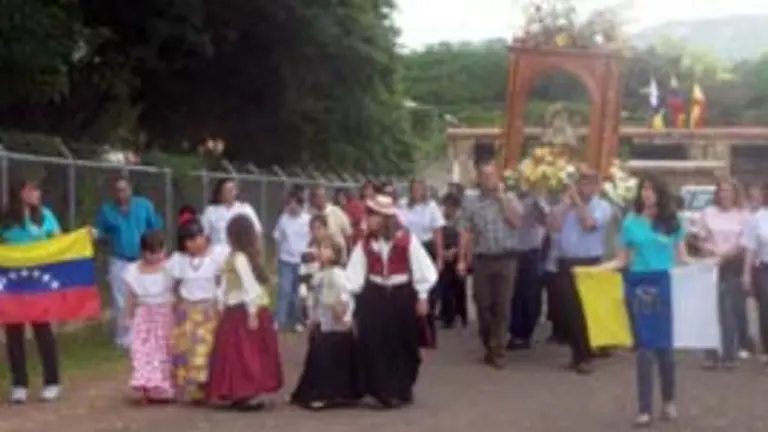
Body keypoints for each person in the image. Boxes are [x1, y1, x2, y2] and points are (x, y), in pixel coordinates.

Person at [597, 175, 692, 428]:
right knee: (644, 350)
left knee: (665, 349)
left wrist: (709, 265)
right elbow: (622, 259)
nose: (646, 194)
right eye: (643, 189)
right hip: (637, 284)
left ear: (660, 193)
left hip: (663, 284)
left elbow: (683, 256)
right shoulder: (630, 222)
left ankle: (669, 401)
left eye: (651, 189)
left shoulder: (672, 222)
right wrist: (595, 271)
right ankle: (644, 409)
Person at [345, 194, 437, 408]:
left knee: (402, 343)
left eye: (373, 215)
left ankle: (401, 388)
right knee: (375, 342)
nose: (368, 219)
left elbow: (424, 269)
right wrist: (348, 299)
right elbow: (354, 275)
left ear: (385, 218)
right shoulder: (366, 244)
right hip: (375, 295)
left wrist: (422, 296)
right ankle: (382, 390)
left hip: (401, 295)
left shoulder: (406, 240)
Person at [206, 215, 283, 409]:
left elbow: (249, 286)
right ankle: (237, 392)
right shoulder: (233, 258)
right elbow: (224, 285)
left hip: (242, 311)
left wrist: (252, 311)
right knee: (236, 354)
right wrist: (220, 303)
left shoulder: (238, 258)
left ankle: (243, 391)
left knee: (242, 354)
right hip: (234, 311)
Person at [1, 177, 63, 403]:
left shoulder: (46, 215)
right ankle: (19, 384)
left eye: (38, 189)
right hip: (13, 285)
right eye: (32, 189)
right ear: (20, 192)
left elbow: (59, 242)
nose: (37, 193)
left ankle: (52, 381)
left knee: (43, 332)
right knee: (13, 333)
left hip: (38, 283)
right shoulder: (6, 220)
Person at [456, 162, 523, 369]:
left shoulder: (510, 198)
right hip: (482, 259)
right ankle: (488, 342)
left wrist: (502, 199)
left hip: (506, 258)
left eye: (492, 176)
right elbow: (465, 231)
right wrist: (461, 259)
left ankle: (499, 349)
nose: (489, 180)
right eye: (485, 176)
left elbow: (517, 222)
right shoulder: (471, 201)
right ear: (479, 179)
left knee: (502, 306)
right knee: (483, 305)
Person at [548, 170, 612, 374]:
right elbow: (552, 225)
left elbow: (588, 224)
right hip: (566, 261)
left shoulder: (603, 207)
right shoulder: (566, 205)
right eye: (581, 183)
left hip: (590, 261)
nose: (585, 188)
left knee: (585, 311)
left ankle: (585, 355)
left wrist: (577, 202)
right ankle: (577, 353)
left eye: (589, 184)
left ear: (596, 186)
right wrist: (565, 205)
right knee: (569, 312)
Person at [94, 175, 164, 350]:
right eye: (117, 191)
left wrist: (156, 252)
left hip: (142, 259)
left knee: (145, 297)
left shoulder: (144, 205)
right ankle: (124, 338)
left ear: (130, 190)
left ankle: (146, 335)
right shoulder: (107, 210)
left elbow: (155, 228)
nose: (121, 194)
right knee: (121, 301)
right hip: (119, 259)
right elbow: (101, 233)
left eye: (124, 189)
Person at [291, 237, 358, 410]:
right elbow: (314, 300)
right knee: (317, 358)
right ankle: (311, 392)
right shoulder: (318, 276)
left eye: (326, 248)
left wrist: (343, 313)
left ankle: (331, 394)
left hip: (336, 325)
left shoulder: (338, 275)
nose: (321, 251)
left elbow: (345, 295)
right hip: (322, 322)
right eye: (320, 247)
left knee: (331, 360)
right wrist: (311, 319)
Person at [167, 219, 229, 403]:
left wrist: (220, 303)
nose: (195, 243)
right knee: (187, 350)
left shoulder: (216, 256)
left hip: (207, 310)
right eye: (190, 241)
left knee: (205, 349)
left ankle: (206, 386)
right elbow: (172, 283)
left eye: (198, 238)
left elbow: (223, 281)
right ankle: (193, 386)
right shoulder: (179, 261)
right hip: (187, 311)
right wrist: (174, 302)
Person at [697, 178, 750, 368]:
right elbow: (700, 239)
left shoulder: (743, 215)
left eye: (728, 191)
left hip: (733, 264)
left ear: (735, 194)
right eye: (721, 191)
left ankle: (729, 354)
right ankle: (710, 354)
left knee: (728, 309)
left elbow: (744, 243)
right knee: (710, 310)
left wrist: (726, 255)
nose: (724, 194)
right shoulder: (708, 213)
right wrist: (711, 252)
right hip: (711, 263)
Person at [123, 231, 174, 403]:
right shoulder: (133, 270)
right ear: (144, 252)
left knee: (162, 350)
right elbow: (130, 296)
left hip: (164, 312)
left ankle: (162, 386)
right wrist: (128, 316)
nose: (158, 256)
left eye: (160, 251)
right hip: (144, 312)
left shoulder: (169, 268)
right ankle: (145, 384)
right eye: (153, 253)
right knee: (143, 349)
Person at [398, 180, 444, 347]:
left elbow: (437, 232)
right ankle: (411, 333)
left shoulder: (431, 207)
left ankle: (429, 333)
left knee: (428, 290)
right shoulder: (403, 205)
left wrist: (439, 257)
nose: (416, 192)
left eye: (420, 189)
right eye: (414, 189)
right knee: (409, 290)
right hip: (407, 248)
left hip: (426, 247)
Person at [507, 194, 546, 351]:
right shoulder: (507, 196)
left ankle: (526, 332)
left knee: (530, 294)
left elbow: (545, 220)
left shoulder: (537, 198)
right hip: (511, 250)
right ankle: (515, 332)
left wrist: (537, 202)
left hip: (531, 250)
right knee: (513, 294)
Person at [272, 192, 311, 332]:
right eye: (290, 204)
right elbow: (278, 238)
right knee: (284, 290)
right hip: (286, 260)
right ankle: (279, 320)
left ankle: (297, 320)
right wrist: (276, 257)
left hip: (302, 261)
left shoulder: (307, 220)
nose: (292, 207)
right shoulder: (283, 219)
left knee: (298, 293)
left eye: (295, 204)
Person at [742, 183, 768, 366]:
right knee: (765, 307)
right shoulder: (757, 218)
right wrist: (746, 273)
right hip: (763, 267)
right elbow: (750, 248)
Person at [201, 178, 263, 246]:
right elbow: (204, 235)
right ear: (220, 193)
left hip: (239, 252)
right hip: (217, 252)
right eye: (227, 190)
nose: (231, 193)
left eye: (232, 189)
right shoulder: (211, 211)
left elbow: (257, 231)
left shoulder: (245, 208)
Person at [437, 193, 467, 329]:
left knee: (459, 286)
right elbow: (436, 236)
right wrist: (442, 252)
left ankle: (461, 313)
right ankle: (447, 315)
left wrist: (455, 251)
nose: (447, 210)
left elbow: (463, 236)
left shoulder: (461, 220)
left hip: (458, 253)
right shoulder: (440, 220)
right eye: (445, 207)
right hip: (443, 254)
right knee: (445, 286)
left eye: (450, 207)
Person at [308, 186, 353, 253]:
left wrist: (349, 252)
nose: (320, 199)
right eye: (317, 196)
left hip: (339, 256)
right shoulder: (312, 215)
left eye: (322, 196)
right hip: (321, 256)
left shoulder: (336, 211)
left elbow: (348, 233)